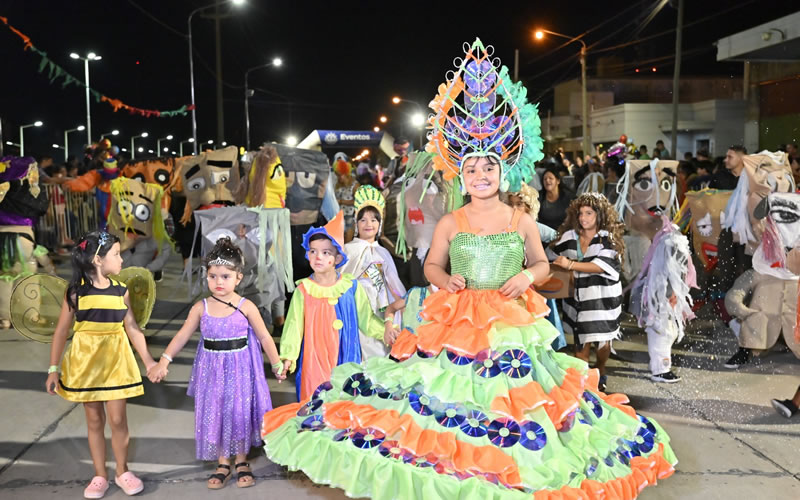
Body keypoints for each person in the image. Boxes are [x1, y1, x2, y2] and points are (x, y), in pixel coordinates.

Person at [260, 39, 676, 499]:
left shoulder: (519, 218)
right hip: (456, 318)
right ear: (461, 173)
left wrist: (527, 276)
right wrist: (444, 279)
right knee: (447, 401)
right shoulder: (452, 221)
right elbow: (432, 266)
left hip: (508, 319)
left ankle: (507, 464)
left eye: (489, 168)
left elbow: (541, 263)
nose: (481, 175)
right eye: (472, 168)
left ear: (504, 172)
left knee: (515, 406)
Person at [147, 237, 284, 489]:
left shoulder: (246, 306)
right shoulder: (201, 308)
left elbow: (264, 336)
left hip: (241, 370)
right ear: (206, 276)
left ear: (238, 278)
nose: (218, 282)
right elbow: (182, 335)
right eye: (212, 276)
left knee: (239, 413)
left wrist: (276, 364)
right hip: (212, 372)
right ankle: (223, 462)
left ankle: (241, 460)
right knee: (217, 412)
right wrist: (164, 361)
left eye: (225, 276)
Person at [46, 231, 156, 499]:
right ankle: (99, 475)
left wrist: (149, 361)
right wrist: (53, 368)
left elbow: (132, 327)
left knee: (118, 420)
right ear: (98, 260)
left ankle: (122, 470)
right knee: (94, 420)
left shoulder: (122, 291)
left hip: (117, 362)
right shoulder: (75, 293)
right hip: (87, 364)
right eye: (116, 254)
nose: (121, 259)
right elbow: (61, 331)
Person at [279, 211, 391, 401]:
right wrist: (288, 356)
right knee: (316, 404)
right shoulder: (304, 290)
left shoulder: (351, 287)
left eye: (325, 253)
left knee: (344, 403)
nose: (318, 257)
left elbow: (367, 321)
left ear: (338, 259)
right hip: (314, 361)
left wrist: (388, 333)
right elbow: (293, 327)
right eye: (313, 251)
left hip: (346, 357)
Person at [549, 193, 625, 392]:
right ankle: (583, 383)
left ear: (600, 215)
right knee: (580, 345)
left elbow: (602, 266)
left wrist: (571, 264)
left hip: (603, 300)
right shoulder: (570, 237)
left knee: (602, 342)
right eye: (581, 213)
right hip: (578, 301)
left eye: (589, 213)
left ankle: (600, 369)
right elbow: (551, 254)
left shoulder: (608, 239)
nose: (584, 218)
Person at [342, 185, 404, 359]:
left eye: (374, 220)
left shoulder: (383, 252)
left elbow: (392, 284)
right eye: (363, 220)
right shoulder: (348, 250)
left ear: (380, 224)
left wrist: (402, 302)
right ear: (356, 223)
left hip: (380, 307)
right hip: (355, 307)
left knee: (378, 351)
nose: (369, 224)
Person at [333, 153, 358, 241]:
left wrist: (341, 201)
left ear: (346, 173)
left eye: (340, 175)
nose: (339, 177)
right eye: (337, 175)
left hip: (350, 217)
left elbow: (359, 201)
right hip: (338, 216)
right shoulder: (337, 185)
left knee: (347, 244)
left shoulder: (355, 185)